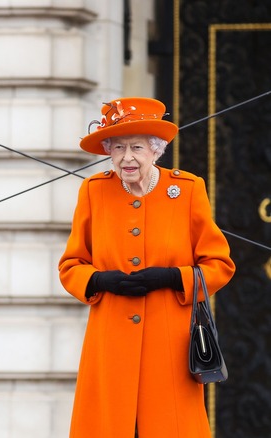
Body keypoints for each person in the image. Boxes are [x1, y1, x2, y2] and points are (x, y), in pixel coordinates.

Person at [58, 97, 235, 437]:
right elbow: (70, 265)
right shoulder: (94, 192)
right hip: (109, 342)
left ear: (156, 150)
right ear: (108, 150)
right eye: (118, 147)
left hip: (169, 344)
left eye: (137, 147)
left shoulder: (186, 190)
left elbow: (219, 264)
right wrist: (99, 280)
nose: (127, 158)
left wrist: (173, 277)